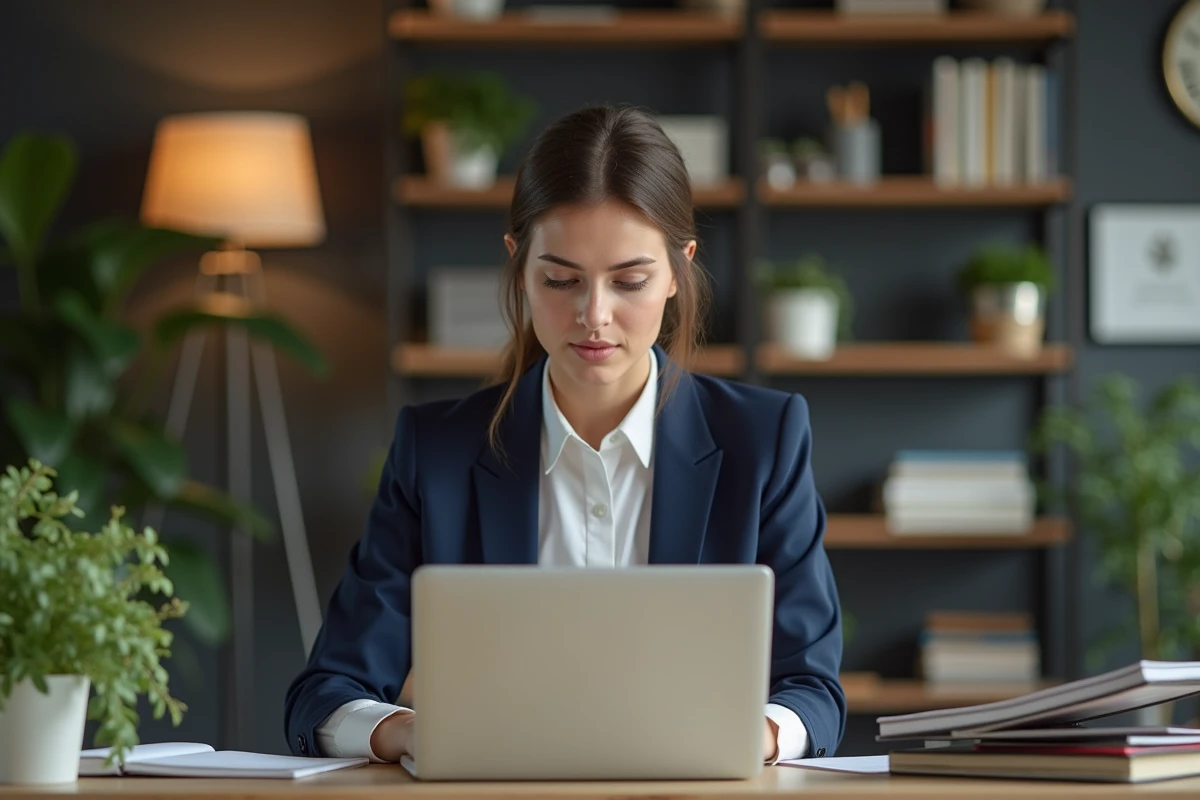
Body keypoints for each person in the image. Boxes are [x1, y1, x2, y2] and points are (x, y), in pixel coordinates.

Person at [284, 105, 846, 765]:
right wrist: (409, 732)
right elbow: (323, 696)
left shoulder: (763, 441)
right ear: (518, 265)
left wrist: (760, 733)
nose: (594, 316)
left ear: (677, 269)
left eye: (629, 281)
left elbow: (813, 690)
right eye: (561, 280)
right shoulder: (436, 452)